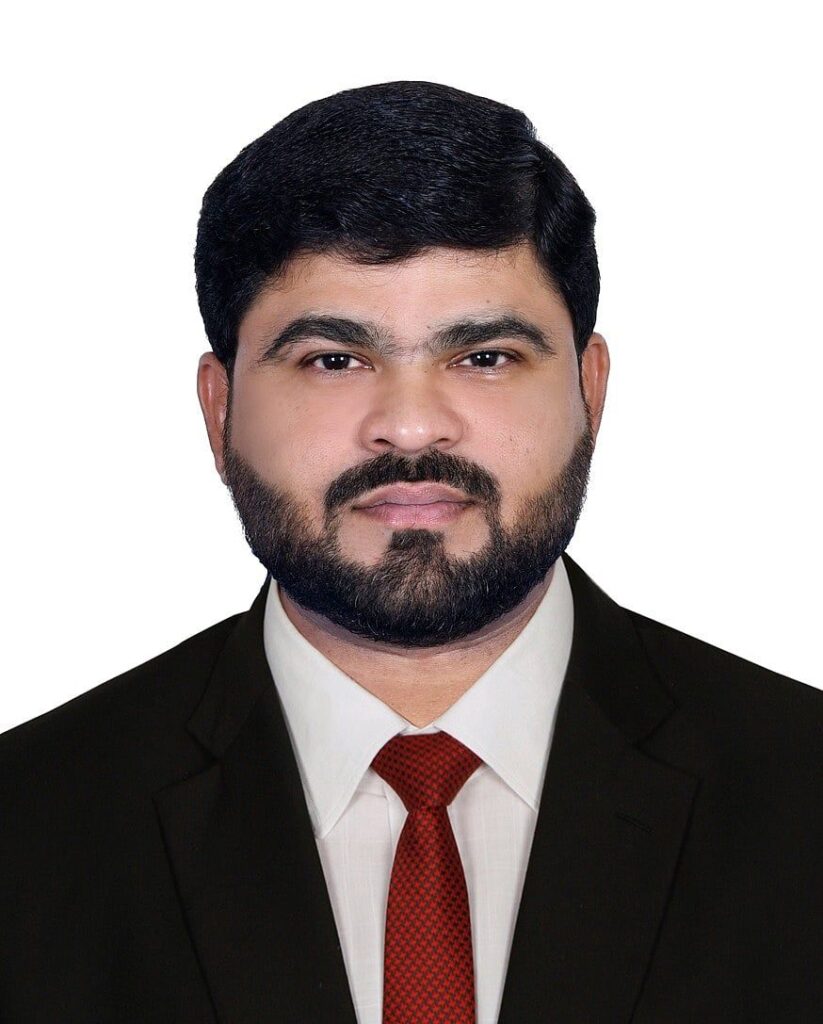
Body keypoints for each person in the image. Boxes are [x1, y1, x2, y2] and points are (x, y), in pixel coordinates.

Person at [1, 80, 821, 1024]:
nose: (410, 425)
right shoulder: (29, 827)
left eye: (484, 357)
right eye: (333, 359)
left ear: (589, 391)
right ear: (219, 408)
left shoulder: (800, 794)